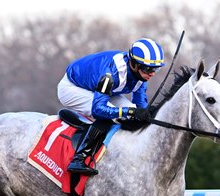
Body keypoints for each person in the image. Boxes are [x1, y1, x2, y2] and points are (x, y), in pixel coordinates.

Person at [57, 37, 166, 176]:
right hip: (73, 88)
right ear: (134, 64)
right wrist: (130, 111)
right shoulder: (111, 74)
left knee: (132, 115)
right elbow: (98, 110)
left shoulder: (142, 75)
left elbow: (140, 106)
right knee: (108, 116)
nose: (151, 73)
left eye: (155, 69)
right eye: (148, 69)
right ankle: (79, 158)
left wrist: (144, 113)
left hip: (104, 90)